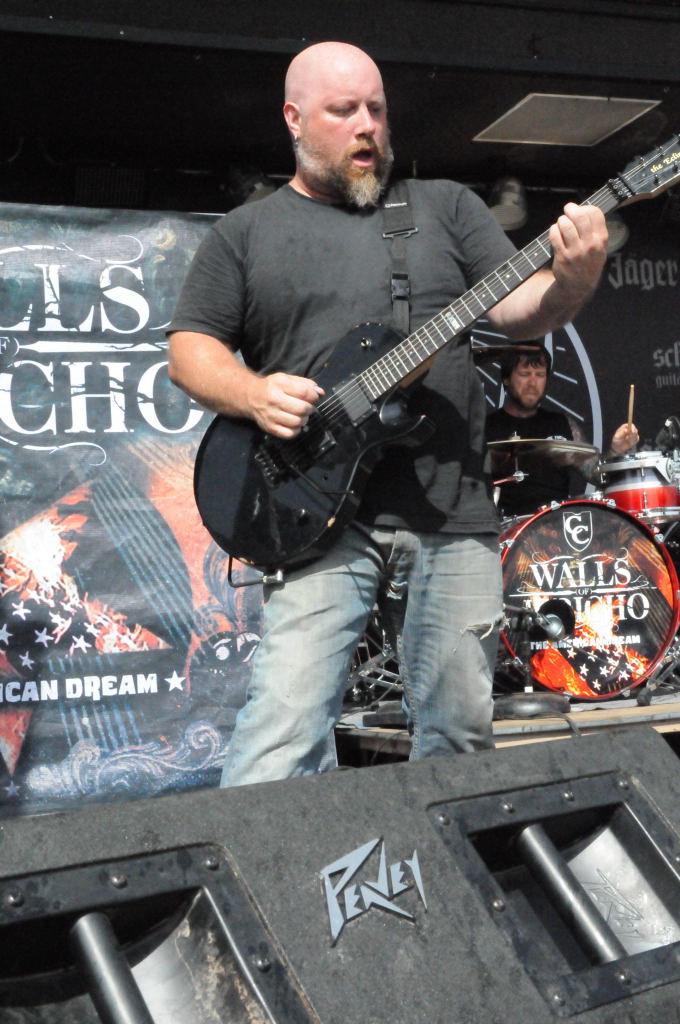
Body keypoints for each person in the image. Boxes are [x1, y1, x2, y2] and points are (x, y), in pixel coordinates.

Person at [167, 41, 609, 787]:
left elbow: (520, 309)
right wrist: (253, 394)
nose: (366, 125)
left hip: (450, 514)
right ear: (294, 119)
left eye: (376, 108)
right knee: (280, 737)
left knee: (460, 740)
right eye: (344, 111)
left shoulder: (446, 207)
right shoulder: (245, 233)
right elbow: (189, 352)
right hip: (312, 516)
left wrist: (575, 278)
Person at [485, 347, 638, 518]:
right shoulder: (485, 427)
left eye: (540, 375)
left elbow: (597, 475)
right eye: (525, 374)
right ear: (506, 378)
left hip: (557, 524)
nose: (533, 383)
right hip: (505, 527)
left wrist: (616, 450)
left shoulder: (561, 423)